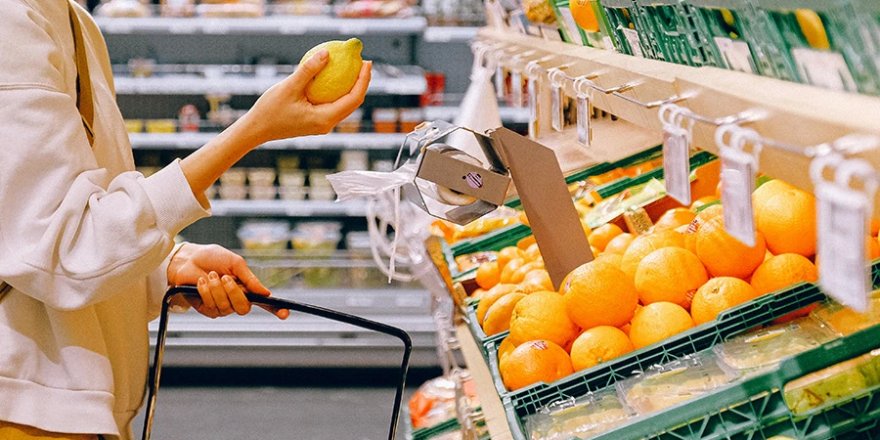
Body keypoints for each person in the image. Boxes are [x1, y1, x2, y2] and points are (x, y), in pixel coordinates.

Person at [0, 1, 372, 439]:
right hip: (25, 407)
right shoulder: (12, 22)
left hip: (71, 404)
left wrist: (164, 266)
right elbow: (67, 247)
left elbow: (52, 223)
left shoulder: (74, 20)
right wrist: (253, 129)